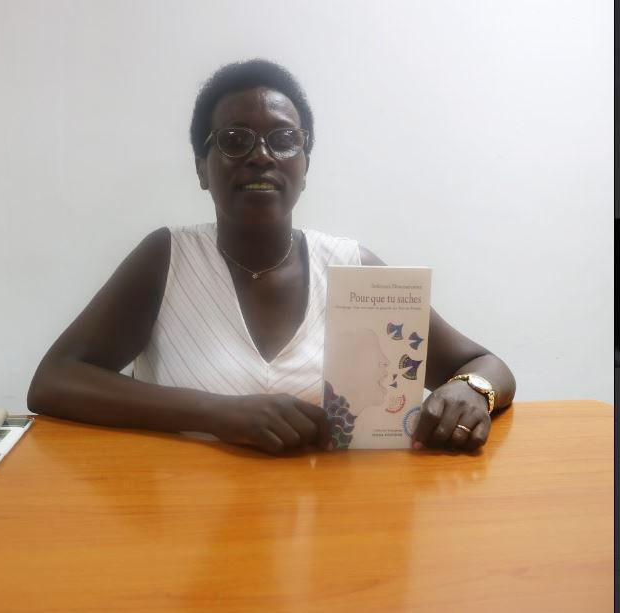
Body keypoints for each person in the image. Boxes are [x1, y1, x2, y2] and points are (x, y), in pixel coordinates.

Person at [27, 59, 515, 454]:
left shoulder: (354, 270)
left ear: (305, 166)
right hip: (186, 525)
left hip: (332, 526)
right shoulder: (168, 259)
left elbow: (484, 364)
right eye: (235, 140)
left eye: (284, 140)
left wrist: (472, 390)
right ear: (202, 168)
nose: (261, 156)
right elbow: (54, 382)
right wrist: (219, 413)